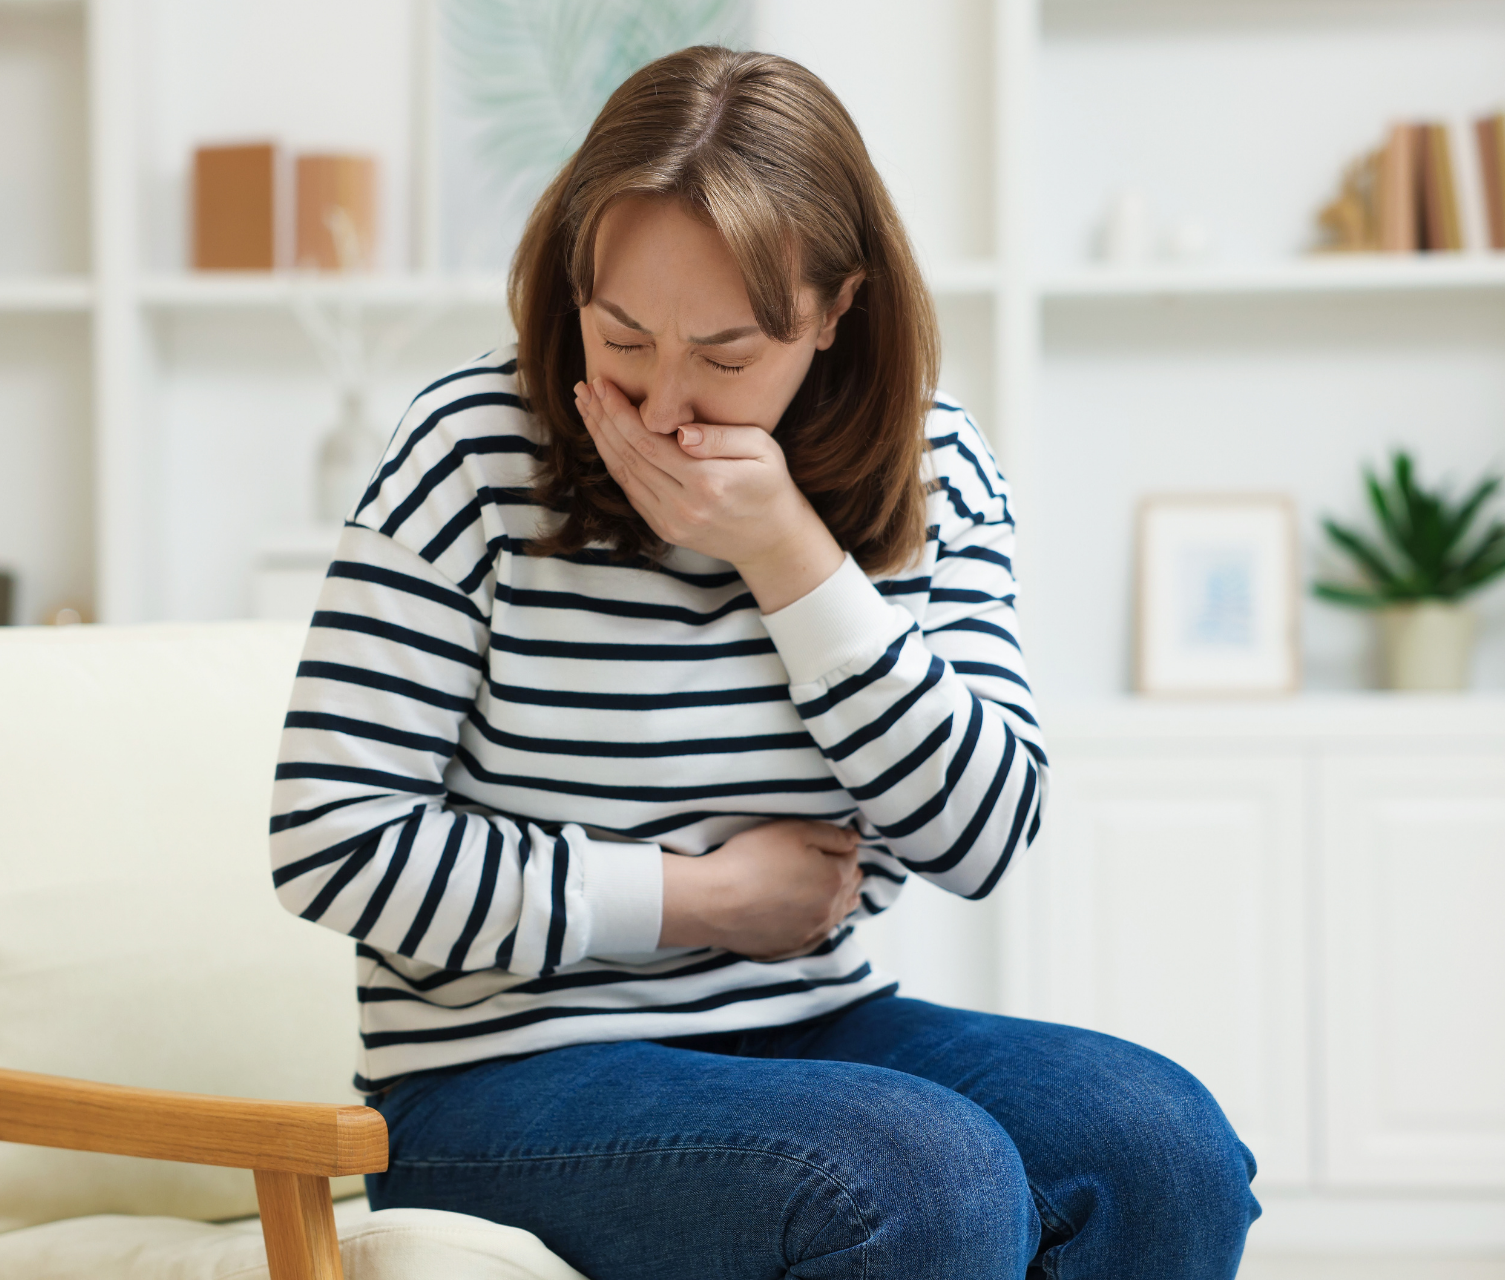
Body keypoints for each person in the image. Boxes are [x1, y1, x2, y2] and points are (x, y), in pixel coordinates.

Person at [272, 44, 1258, 1279]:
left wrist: (792, 558)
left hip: (814, 1028)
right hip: (500, 1073)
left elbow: (985, 836)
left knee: (1161, 1147)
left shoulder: (934, 467)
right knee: (917, 1174)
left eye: (727, 358)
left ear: (837, 311)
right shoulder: (469, 449)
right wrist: (695, 898)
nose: (662, 404)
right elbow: (332, 838)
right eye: (623, 336)